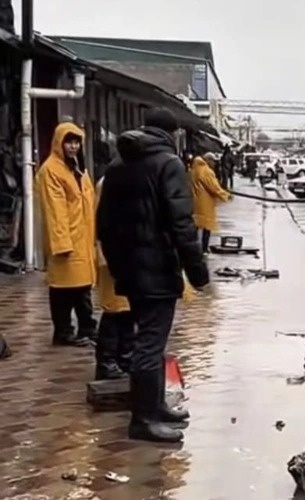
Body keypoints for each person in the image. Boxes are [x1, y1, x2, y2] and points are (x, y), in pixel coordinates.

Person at [97, 108, 209, 443]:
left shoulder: (117, 166)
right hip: (157, 270)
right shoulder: (168, 164)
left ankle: (156, 405)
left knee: (150, 340)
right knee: (149, 344)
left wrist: (119, 266)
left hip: (131, 270)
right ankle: (143, 419)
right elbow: (182, 224)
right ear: (172, 134)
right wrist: (198, 273)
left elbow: (103, 224)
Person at [35, 122, 97, 347]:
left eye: (77, 142)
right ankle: (64, 330)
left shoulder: (77, 168)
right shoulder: (51, 170)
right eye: (69, 141)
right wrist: (61, 243)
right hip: (67, 239)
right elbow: (55, 210)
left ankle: (86, 326)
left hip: (82, 238)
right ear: (59, 142)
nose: (73, 146)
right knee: (64, 289)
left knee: (81, 287)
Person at [94, 171, 134, 380]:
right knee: (114, 309)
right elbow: (104, 224)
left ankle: (124, 359)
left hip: (129, 257)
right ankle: (107, 361)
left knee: (127, 309)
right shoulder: (109, 183)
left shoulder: (132, 178)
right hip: (113, 256)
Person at [190, 152, 231, 253]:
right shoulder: (206, 171)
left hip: (195, 201)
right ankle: (204, 248)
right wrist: (225, 195)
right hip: (205, 202)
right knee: (207, 225)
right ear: (208, 160)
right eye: (213, 161)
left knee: (196, 225)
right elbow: (213, 187)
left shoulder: (194, 169)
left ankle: (192, 247)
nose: (215, 164)